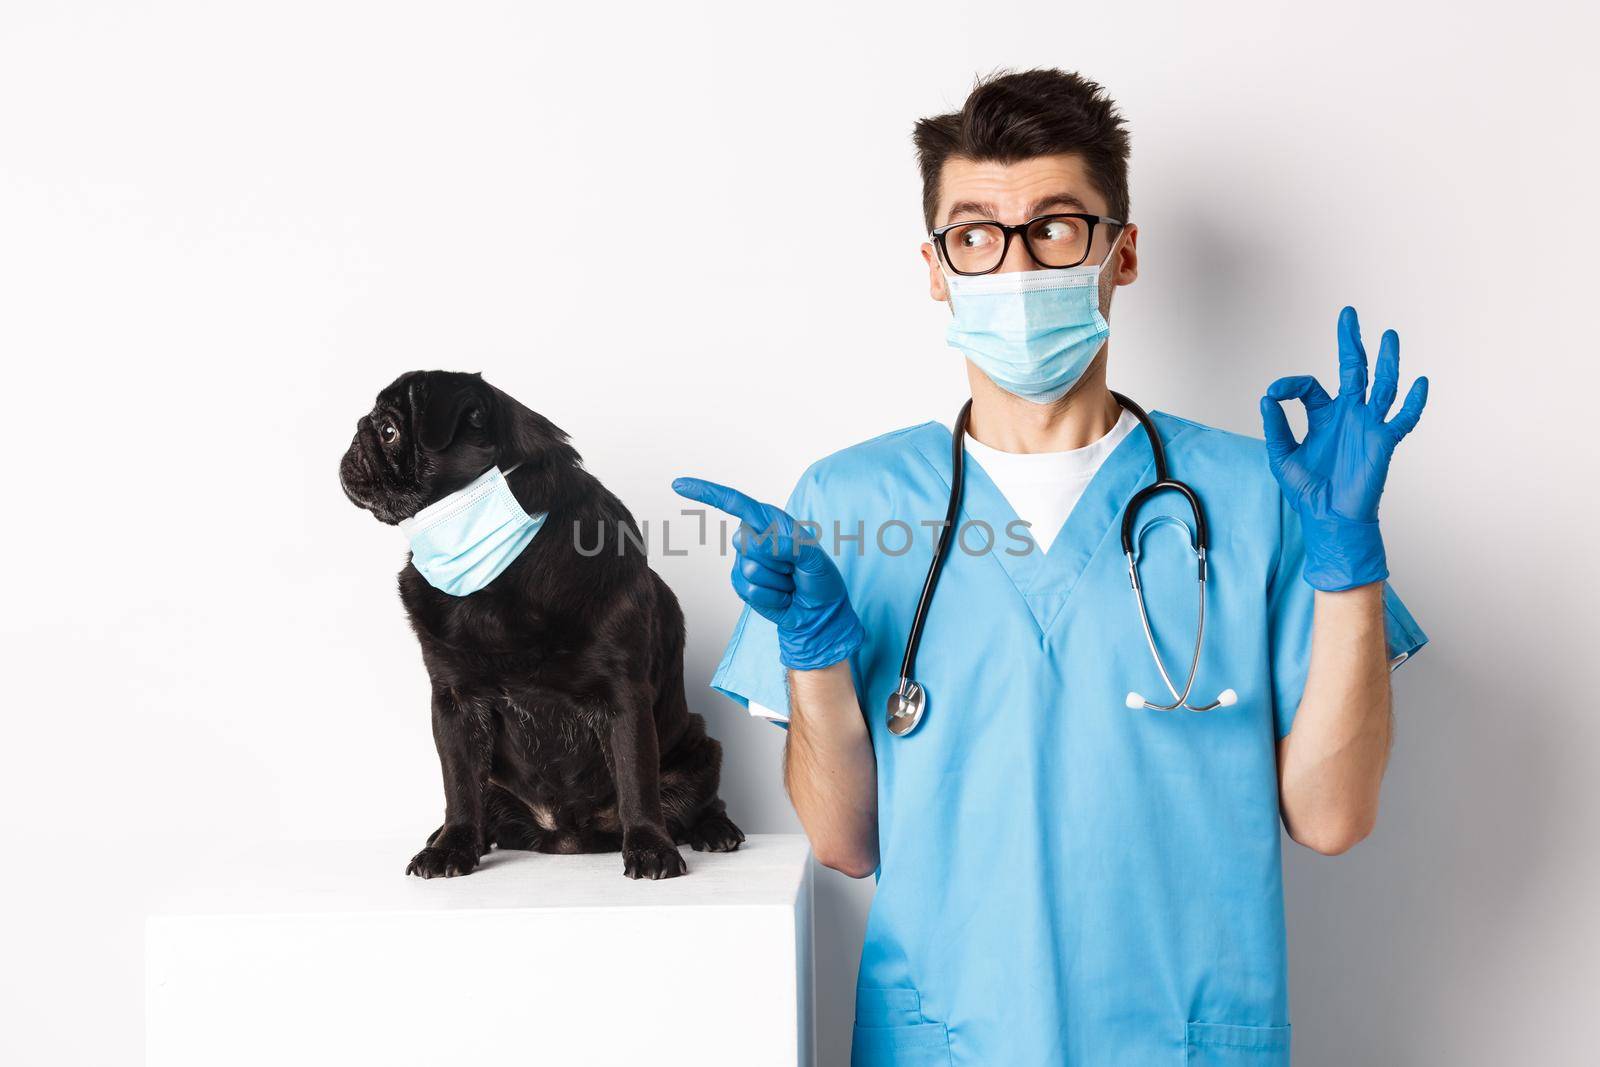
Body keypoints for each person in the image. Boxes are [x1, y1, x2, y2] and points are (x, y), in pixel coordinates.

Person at [674, 68, 1428, 1066]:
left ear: (1122, 253)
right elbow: (844, 842)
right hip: (944, 1039)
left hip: (1184, 1041)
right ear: (938, 267)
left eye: (1057, 225)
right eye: (976, 232)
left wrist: (1346, 561)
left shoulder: (1259, 496)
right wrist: (812, 654)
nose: (1016, 264)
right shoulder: (847, 504)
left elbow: (1331, 818)